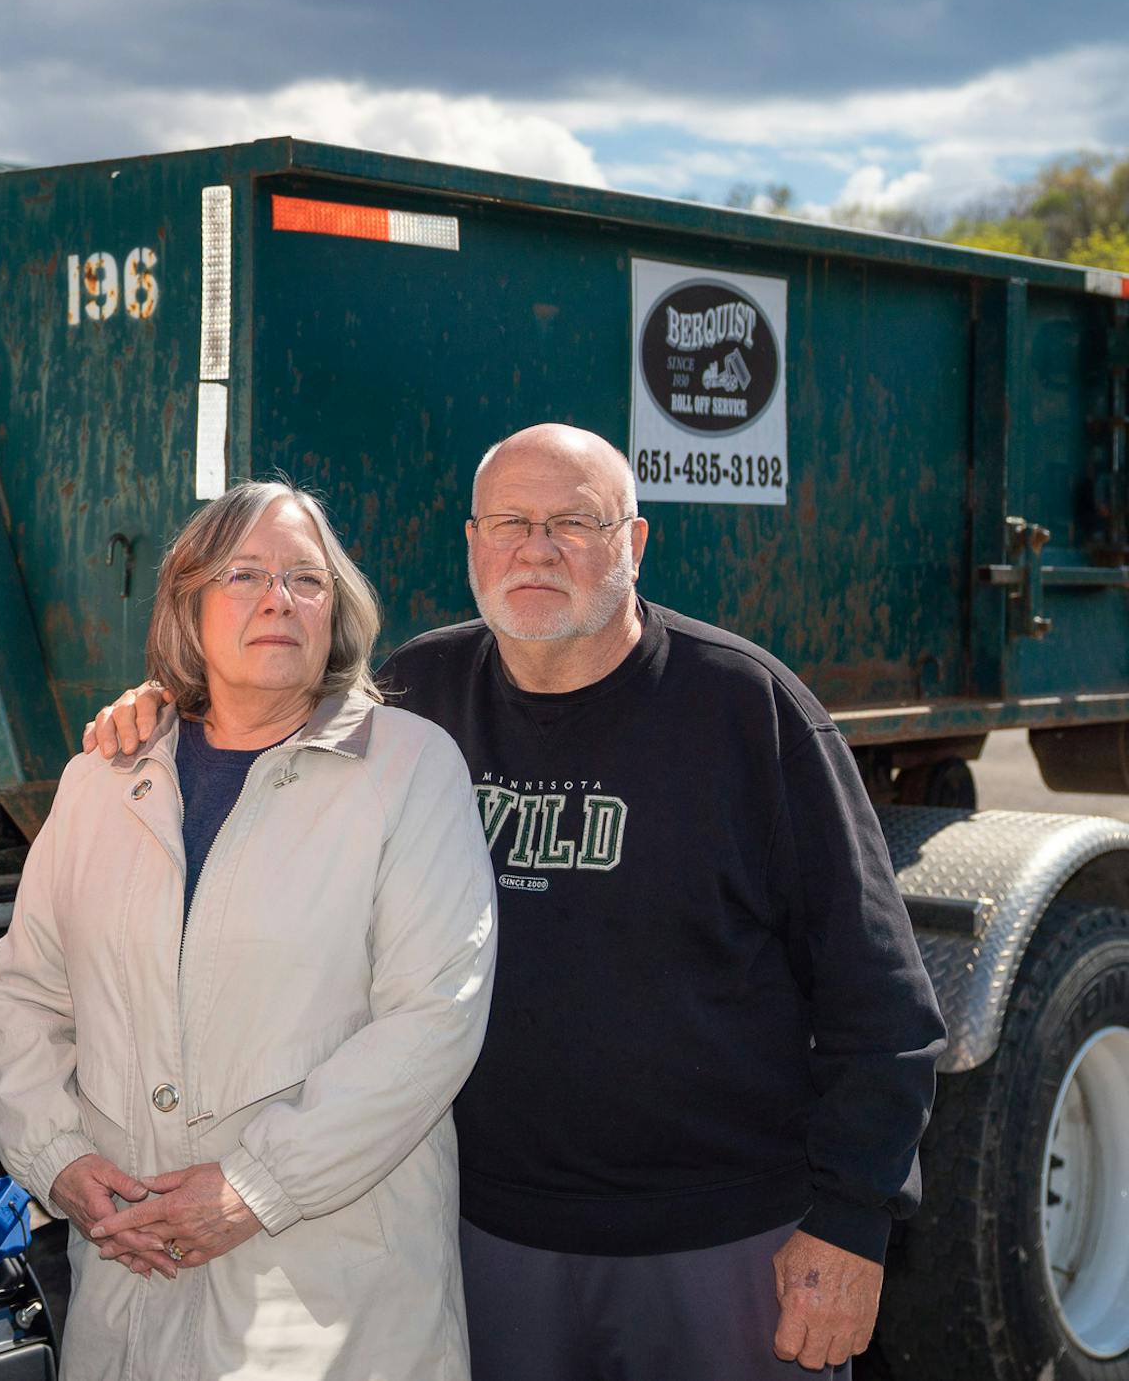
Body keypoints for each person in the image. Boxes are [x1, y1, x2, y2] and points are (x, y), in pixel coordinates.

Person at [86, 423, 945, 1380]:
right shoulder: (413, 700)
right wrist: (162, 710)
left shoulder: (746, 710)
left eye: (574, 522)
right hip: (487, 1239)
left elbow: (881, 1002)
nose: (536, 548)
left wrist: (853, 1223)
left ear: (635, 543)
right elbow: (257, 713)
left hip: (719, 1241)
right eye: (510, 522)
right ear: (472, 544)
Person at [0, 479, 497, 1380]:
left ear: (336, 612)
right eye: (246, 575)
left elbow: (432, 1020)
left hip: (325, 1297)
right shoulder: (103, 778)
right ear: (189, 603)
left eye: (307, 579)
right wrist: (58, 1161)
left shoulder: (409, 768)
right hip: (128, 1277)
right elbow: (25, 993)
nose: (278, 599)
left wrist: (257, 1189)